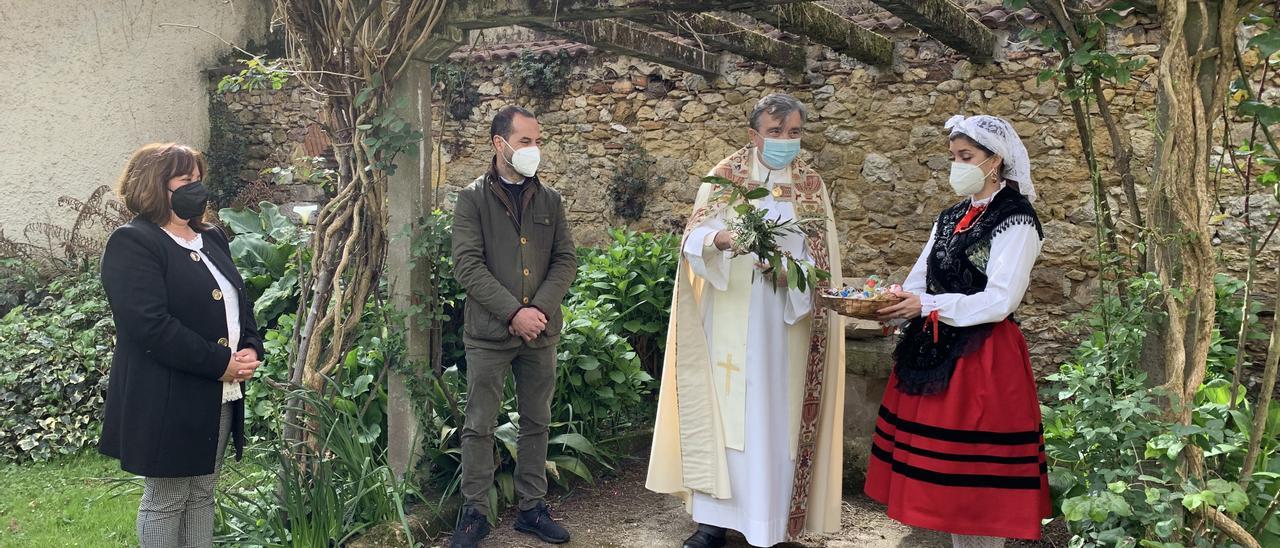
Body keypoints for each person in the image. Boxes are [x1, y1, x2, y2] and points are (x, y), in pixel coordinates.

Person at [647, 93, 846, 548]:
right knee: (725, 414)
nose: (784, 141)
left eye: (794, 133)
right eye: (775, 133)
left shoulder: (811, 185)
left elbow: (821, 259)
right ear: (753, 134)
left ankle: (771, 521)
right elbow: (692, 238)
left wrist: (790, 273)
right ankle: (713, 521)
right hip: (730, 314)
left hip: (786, 323)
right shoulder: (725, 177)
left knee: (777, 416)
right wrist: (719, 237)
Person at [867, 114, 1050, 548]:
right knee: (946, 486)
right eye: (953, 157)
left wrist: (927, 305)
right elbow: (919, 277)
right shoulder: (950, 217)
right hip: (933, 350)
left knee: (978, 487)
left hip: (983, 357)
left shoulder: (1017, 219)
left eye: (966, 157)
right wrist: (895, 303)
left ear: (995, 161)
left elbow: (1001, 299)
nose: (957, 166)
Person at [99, 143, 264, 548]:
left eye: (198, 178)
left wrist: (251, 348)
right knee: (167, 499)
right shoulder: (134, 243)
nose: (198, 188)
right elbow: (149, 326)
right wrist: (219, 362)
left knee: (203, 492)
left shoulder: (211, 238)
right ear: (156, 186)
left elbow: (237, 301)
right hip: (166, 394)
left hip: (218, 392)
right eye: (186, 180)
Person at [448, 106, 577, 548]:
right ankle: (475, 513)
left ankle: (531, 509)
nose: (533, 149)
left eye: (536, 140)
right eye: (525, 141)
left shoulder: (550, 199)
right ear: (499, 143)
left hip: (540, 332)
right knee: (479, 424)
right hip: (489, 334)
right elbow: (466, 264)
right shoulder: (472, 199)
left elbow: (565, 259)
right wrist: (512, 312)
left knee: (536, 421)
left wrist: (538, 308)